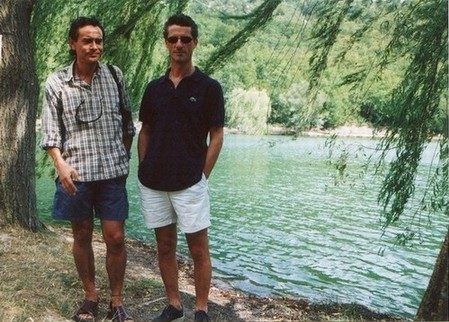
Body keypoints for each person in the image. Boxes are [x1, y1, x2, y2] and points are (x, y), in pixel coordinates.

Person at [40, 16, 135, 322]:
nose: (95, 46)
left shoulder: (115, 75)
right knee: (81, 235)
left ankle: (116, 301)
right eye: (87, 40)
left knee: (116, 237)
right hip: (76, 175)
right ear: (73, 44)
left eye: (98, 40)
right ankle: (91, 297)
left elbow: (127, 123)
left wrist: (124, 156)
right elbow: (51, 134)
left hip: (111, 173)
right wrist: (61, 166)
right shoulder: (56, 82)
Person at [137, 14, 225, 322]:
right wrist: (144, 165)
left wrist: (202, 176)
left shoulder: (209, 87)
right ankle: (174, 305)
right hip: (154, 182)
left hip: (190, 182)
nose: (179, 44)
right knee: (164, 245)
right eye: (173, 39)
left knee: (199, 248)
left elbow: (217, 136)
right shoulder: (154, 88)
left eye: (185, 39)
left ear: (195, 43)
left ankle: (201, 309)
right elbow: (145, 130)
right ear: (166, 43)